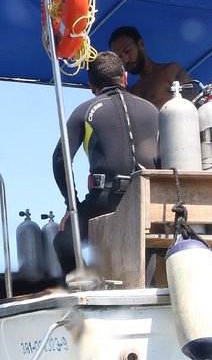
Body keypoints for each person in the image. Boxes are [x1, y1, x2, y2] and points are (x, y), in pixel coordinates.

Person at [51, 51, 159, 275]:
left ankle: (83, 284)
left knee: (63, 241)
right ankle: (142, 284)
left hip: (104, 202)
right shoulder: (153, 110)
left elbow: (60, 158)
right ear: (125, 78)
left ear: (92, 86)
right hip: (148, 204)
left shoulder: (86, 110)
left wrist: (71, 205)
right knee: (146, 244)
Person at [108, 25, 192, 109]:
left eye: (127, 51)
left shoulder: (170, 71)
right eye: (120, 56)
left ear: (141, 44)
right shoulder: (132, 92)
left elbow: (194, 102)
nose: (125, 59)